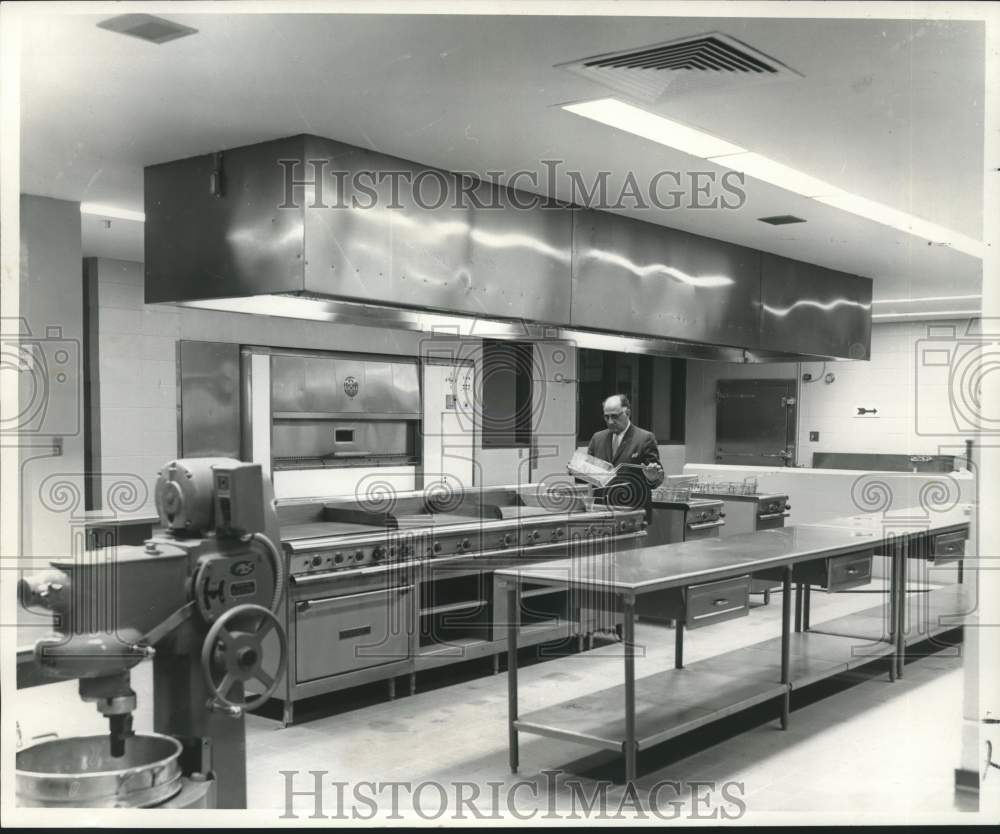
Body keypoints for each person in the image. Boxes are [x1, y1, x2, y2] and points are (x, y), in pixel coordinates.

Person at [584, 394, 664, 510]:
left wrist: (652, 478)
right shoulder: (597, 438)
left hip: (633, 509)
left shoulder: (644, 439)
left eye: (615, 416)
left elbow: (657, 478)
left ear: (627, 413)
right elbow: (587, 476)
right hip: (601, 509)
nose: (610, 421)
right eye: (606, 417)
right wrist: (577, 470)